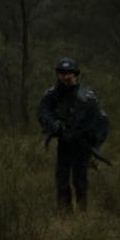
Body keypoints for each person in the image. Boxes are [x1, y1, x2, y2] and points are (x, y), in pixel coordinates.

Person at [37, 57, 109, 213]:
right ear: (58, 74)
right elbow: (43, 112)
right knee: (62, 179)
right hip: (64, 142)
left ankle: (82, 214)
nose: (65, 75)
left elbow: (101, 120)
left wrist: (95, 142)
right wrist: (54, 124)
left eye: (69, 72)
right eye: (62, 72)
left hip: (82, 143)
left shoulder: (88, 95)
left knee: (79, 180)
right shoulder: (52, 94)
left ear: (75, 74)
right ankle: (65, 215)